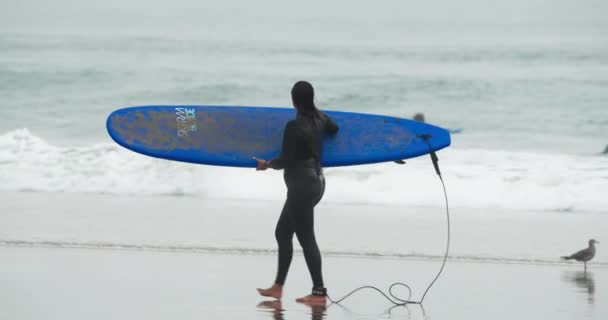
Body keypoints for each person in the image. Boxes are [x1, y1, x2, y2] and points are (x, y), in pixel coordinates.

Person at [253, 80, 339, 304]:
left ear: (293, 101)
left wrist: (266, 164)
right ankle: (278, 287)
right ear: (311, 99)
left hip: (301, 186)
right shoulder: (321, 119)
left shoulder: (294, 126)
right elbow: (335, 129)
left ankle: (319, 292)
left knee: (306, 237)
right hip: (317, 182)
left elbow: (285, 161)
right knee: (282, 232)